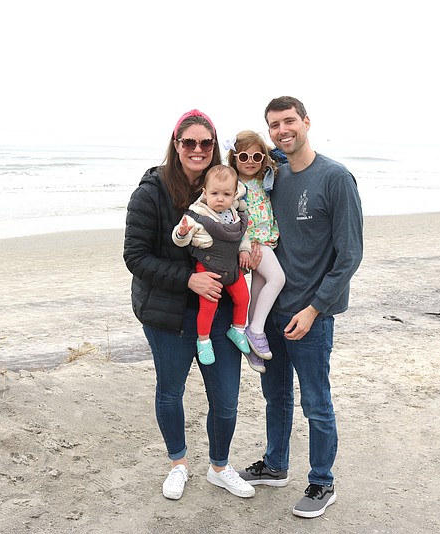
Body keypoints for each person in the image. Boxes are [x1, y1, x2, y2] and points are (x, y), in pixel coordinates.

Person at [238, 96, 364, 519]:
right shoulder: (272, 172)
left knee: (316, 402)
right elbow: (242, 159)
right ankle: (275, 465)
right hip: (271, 313)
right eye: (274, 125)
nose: (281, 130)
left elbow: (349, 256)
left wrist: (313, 310)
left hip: (311, 315)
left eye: (289, 121)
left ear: (307, 121)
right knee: (275, 395)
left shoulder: (335, 177)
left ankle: (322, 482)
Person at [123, 109, 256, 502]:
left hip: (218, 312)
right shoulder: (150, 191)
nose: (198, 150)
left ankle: (219, 467)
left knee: (226, 399)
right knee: (170, 392)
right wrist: (188, 278)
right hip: (169, 314)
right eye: (189, 142)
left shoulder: (228, 190)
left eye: (206, 143)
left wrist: (253, 247)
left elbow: (265, 169)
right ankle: (178, 464)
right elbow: (135, 256)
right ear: (176, 145)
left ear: (215, 147)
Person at [172, 164, 252, 366]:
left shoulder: (235, 213)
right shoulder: (196, 215)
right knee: (209, 305)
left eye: (226, 194)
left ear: (234, 195)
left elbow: (243, 234)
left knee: (243, 297)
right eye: (215, 193)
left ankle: (238, 329)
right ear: (205, 192)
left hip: (232, 267)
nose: (220, 198)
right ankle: (204, 341)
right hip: (208, 269)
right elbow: (181, 241)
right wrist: (181, 232)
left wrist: (245, 249)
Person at [226, 130, 286, 374]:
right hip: (254, 243)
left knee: (259, 287)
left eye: (257, 156)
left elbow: (281, 156)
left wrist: (267, 149)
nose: (250, 161)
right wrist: (246, 244)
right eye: (243, 156)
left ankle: (251, 345)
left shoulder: (265, 178)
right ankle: (256, 329)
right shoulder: (234, 185)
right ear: (234, 158)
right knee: (278, 278)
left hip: (267, 240)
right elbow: (231, 216)